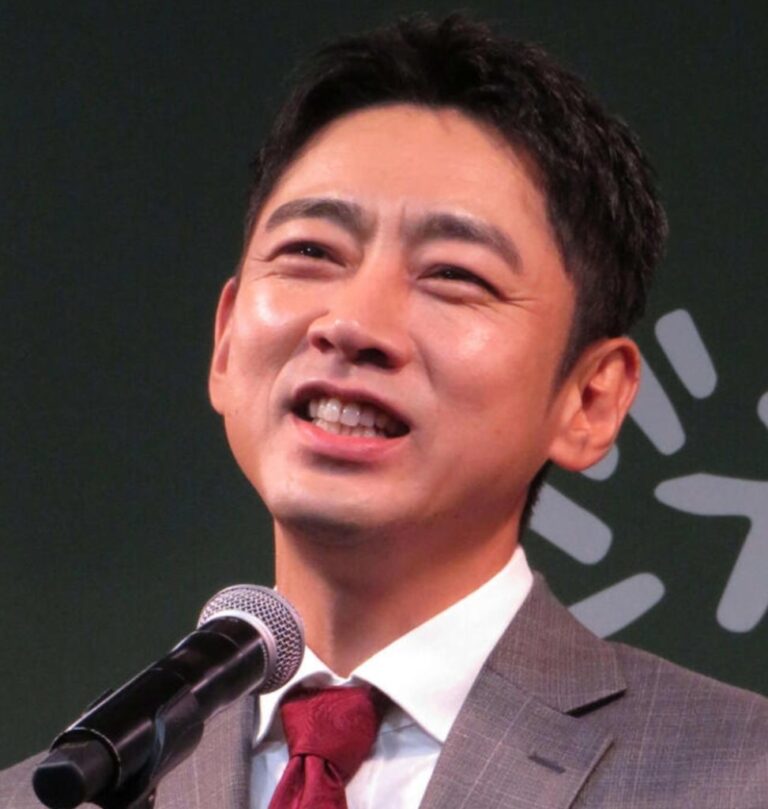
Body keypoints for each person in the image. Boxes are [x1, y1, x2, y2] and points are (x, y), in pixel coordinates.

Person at [2, 12, 766, 809]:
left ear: (589, 399)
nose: (352, 323)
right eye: (310, 251)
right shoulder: (63, 791)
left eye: (454, 275)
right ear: (225, 341)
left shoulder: (741, 775)